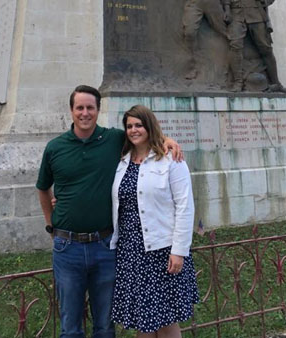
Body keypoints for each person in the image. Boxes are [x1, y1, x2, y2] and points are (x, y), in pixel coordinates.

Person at [36, 85, 183, 338]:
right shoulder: (54, 147)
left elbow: (143, 135)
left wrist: (166, 140)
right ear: (71, 111)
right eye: (79, 108)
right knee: (70, 326)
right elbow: (42, 188)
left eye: (90, 108)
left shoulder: (114, 139)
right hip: (67, 247)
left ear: (98, 111)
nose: (85, 113)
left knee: (104, 324)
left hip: (104, 246)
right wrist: (52, 226)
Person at [110, 105, 198, 337]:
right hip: (131, 251)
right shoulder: (122, 159)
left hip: (161, 250)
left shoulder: (171, 159)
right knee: (144, 320)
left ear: (149, 126)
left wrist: (179, 250)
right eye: (129, 126)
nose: (133, 130)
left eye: (139, 125)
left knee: (166, 320)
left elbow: (185, 206)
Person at [223, 0, 286, 93]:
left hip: (256, 16)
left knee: (265, 48)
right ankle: (237, 82)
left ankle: (276, 83)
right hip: (237, 16)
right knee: (235, 47)